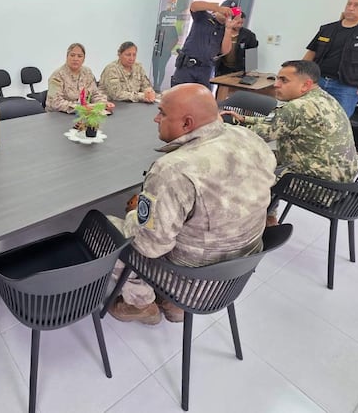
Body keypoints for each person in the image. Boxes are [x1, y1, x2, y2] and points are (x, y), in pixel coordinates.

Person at [107, 84, 276, 325]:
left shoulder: (173, 169)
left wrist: (135, 213)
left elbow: (149, 247)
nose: (156, 118)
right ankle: (174, 306)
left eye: (162, 113)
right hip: (237, 270)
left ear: (187, 124)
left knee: (107, 229)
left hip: (192, 279)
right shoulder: (250, 138)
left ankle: (140, 303)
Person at [225, 60, 358, 225]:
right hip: (341, 183)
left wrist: (218, 126)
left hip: (319, 188)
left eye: (284, 80)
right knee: (262, 158)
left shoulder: (297, 107)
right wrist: (245, 119)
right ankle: (269, 218)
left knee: (247, 169)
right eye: (277, 79)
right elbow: (276, 123)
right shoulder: (324, 98)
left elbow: (254, 137)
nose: (276, 85)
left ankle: (243, 226)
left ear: (305, 85)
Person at [171, 0, 246, 88]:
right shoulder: (204, 17)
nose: (226, 15)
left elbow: (225, 51)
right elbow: (194, 6)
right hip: (187, 67)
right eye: (226, 11)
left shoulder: (226, 29)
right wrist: (217, 8)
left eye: (231, 14)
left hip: (205, 69)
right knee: (178, 95)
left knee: (202, 99)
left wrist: (228, 29)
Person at [46, 43, 115, 113]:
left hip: (83, 113)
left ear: (83, 59)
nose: (75, 59)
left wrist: (103, 103)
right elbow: (55, 103)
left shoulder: (87, 72)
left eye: (79, 56)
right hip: (58, 115)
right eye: (72, 55)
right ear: (67, 57)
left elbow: (95, 93)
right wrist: (81, 108)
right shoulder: (57, 76)